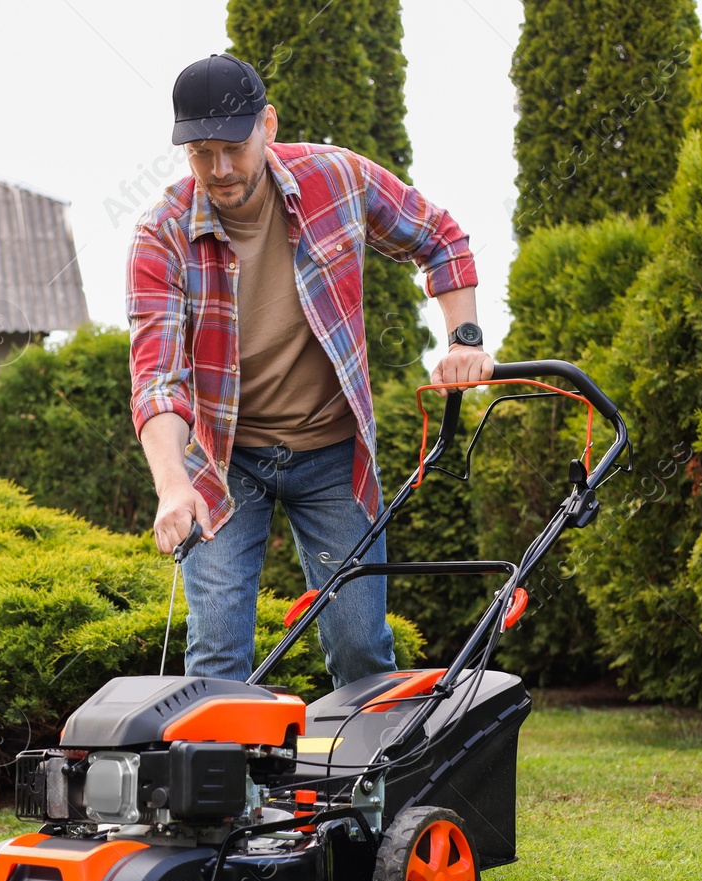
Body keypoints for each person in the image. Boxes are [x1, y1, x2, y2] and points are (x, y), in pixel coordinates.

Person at [127, 53, 493, 687]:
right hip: (225, 462)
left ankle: (367, 786)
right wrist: (171, 485)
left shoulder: (336, 177)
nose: (218, 169)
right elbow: (157, 379)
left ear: (267, 125)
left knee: (359, 651)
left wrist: (464, 338)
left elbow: (439, 236)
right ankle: (221, 788)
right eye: (200, 152)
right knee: (216, 656)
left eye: (233, 148)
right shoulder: (162, 236)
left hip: (333, 456)